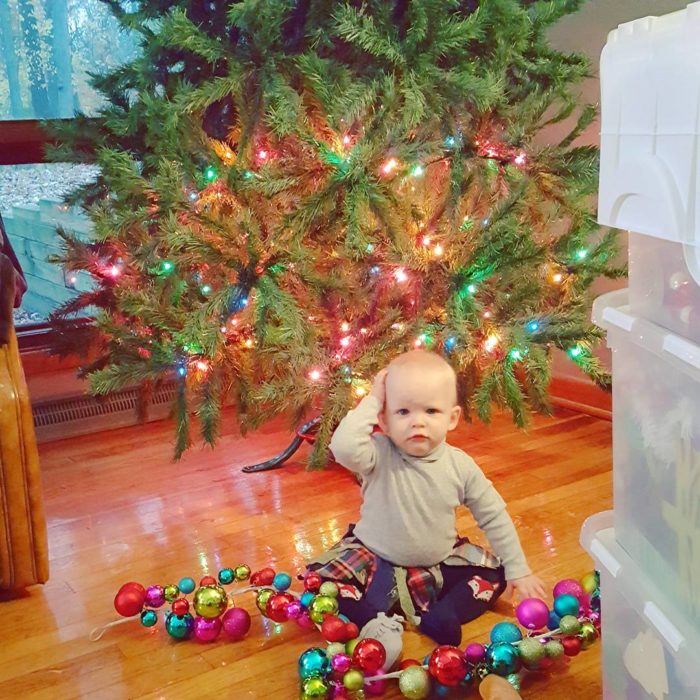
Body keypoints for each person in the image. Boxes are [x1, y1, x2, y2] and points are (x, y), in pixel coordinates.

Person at [307, 350, 546, 645]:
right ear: (383, 419)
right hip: (375, 558)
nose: (417, 422)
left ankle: (445, 614)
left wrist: (518, 570)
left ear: (452, 418)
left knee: (496, 574)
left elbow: (493, 515)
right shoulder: (378, 453)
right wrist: (373, 399)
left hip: (437, 563)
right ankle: (373, 622)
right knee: (323, 585)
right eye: (403, 412)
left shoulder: (460, 466)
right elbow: (342, 446)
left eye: (431, 411)